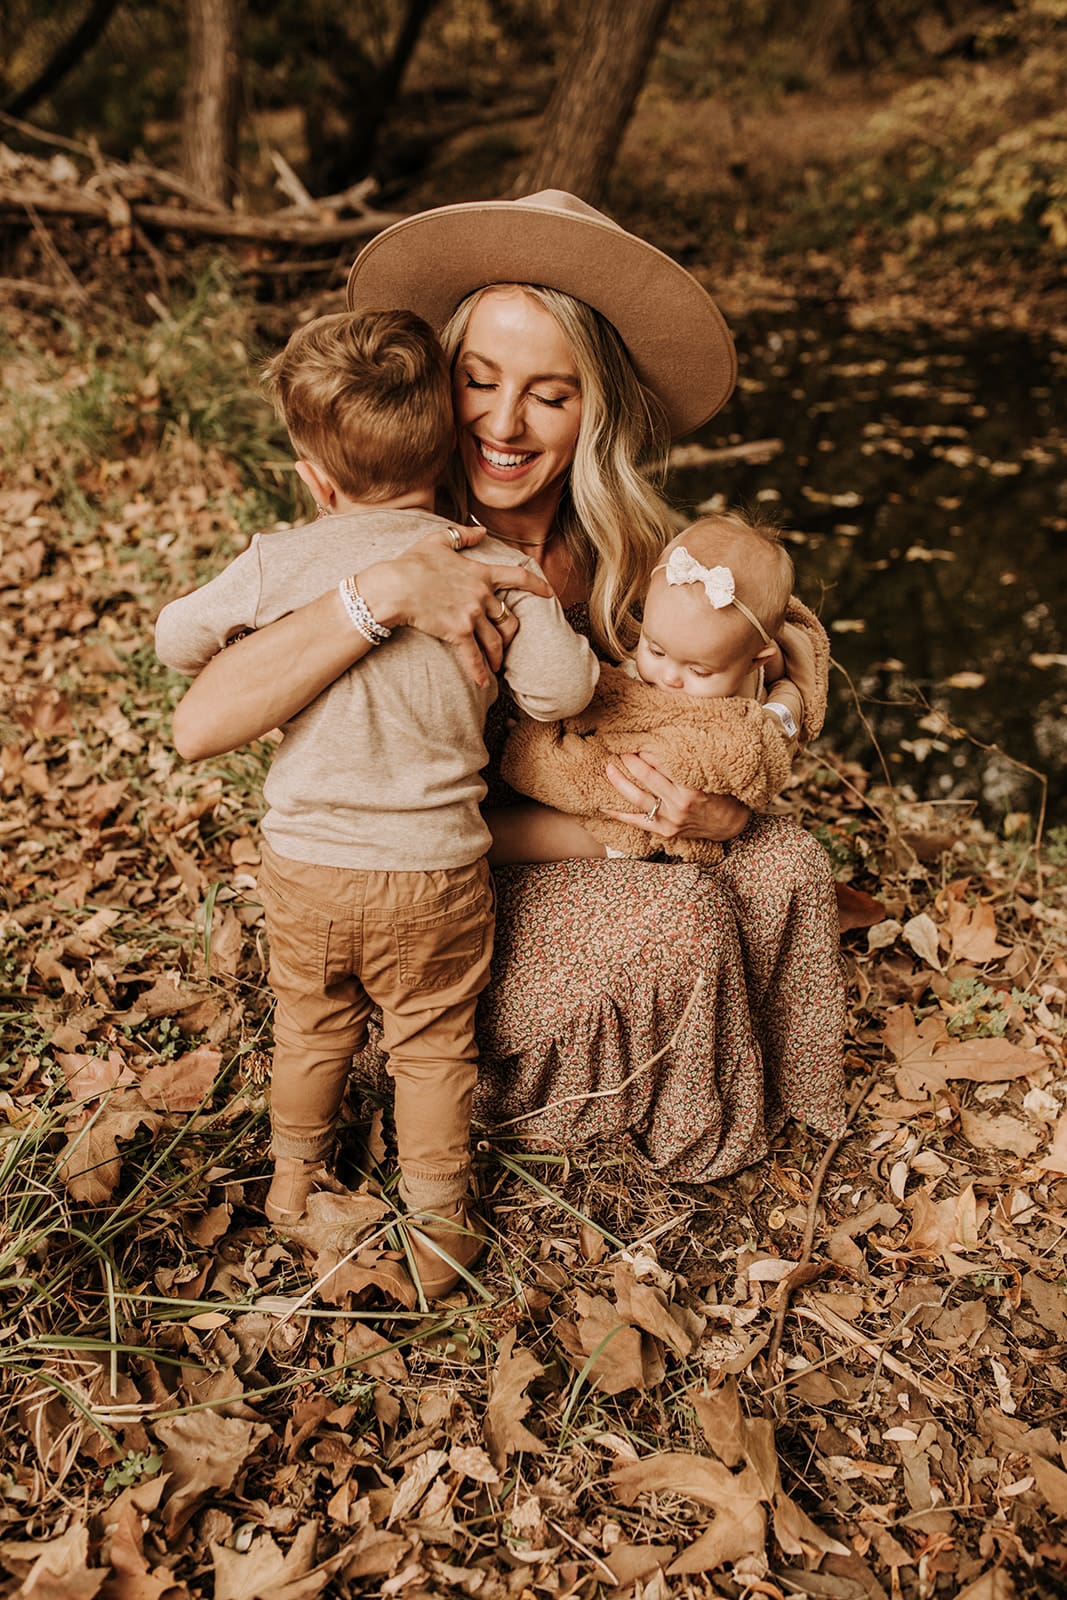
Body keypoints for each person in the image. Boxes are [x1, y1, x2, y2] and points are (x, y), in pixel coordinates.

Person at [169, 190, 847, 1187]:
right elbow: (203, 719)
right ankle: (564, 1115)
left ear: (595, 407)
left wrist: (747, 767)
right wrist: (382, 594)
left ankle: (784, 1111)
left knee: (785, 855)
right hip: (419, 916)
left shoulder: (622, 549)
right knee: (682, 913)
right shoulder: (385, 521)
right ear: (436, 387)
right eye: (478, 381)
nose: (502, 422)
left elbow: (788, 632)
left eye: (550, 393)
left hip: (557, 856)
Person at [155, 307, 599, 1295]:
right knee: (433, 1047)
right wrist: (538, 603)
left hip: (307, 868)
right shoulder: (485, 564)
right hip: (436, 869)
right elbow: (560, 694)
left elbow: (176, 639)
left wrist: (260, 610)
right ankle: (439, 1230)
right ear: (449, 444)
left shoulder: (280, 561)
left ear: (315, 478)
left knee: (310, 1026)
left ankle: (287, 1182)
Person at [493, 509, 830, 867]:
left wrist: (786, 705)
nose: (669, 677)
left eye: (699, 670)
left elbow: (773, 726)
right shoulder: (710, 644)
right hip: (625, 785)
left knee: (562, 832)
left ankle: (488, 841)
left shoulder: (741, 719)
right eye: (655, 649)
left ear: (755, 660)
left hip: (635, 821)